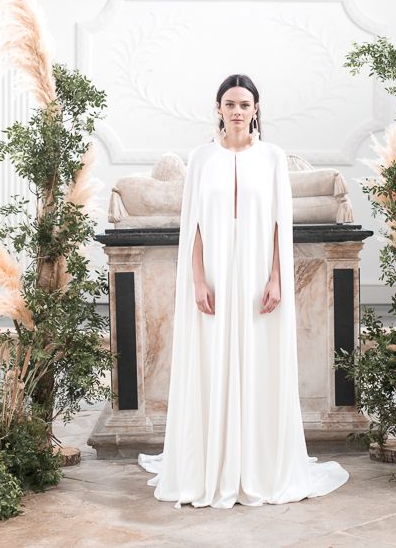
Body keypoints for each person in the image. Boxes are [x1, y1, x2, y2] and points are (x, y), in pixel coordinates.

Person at [137, 74, 349, 509]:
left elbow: (279, 226)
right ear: (218, 108)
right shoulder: (200, 159)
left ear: (256, 110)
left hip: (257, 277)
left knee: (258, 360)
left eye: (245, 104)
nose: (237, 111)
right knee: (211, 359)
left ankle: (257, 463)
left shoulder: (272, 158)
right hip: (213, 276)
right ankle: (211, 464)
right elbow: (192, 227)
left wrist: (276, 278)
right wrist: (197, 280)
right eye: (230, 103)